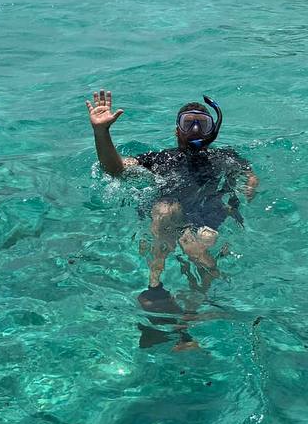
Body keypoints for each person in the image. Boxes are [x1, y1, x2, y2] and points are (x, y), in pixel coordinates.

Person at [86, 90, 258, 316]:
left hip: (206, 218)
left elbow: (249, 174)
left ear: (212, 130)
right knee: (165, 209)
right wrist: (101, 132)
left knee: (203, 242)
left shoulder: (225, 157)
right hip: (168, 221)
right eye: (188, 123)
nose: (195, 129)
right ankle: (155, 286)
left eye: (202, 124)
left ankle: (191, 313)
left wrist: (251, 183)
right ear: (177, 130)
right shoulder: (160, 159)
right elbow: (115, 168)